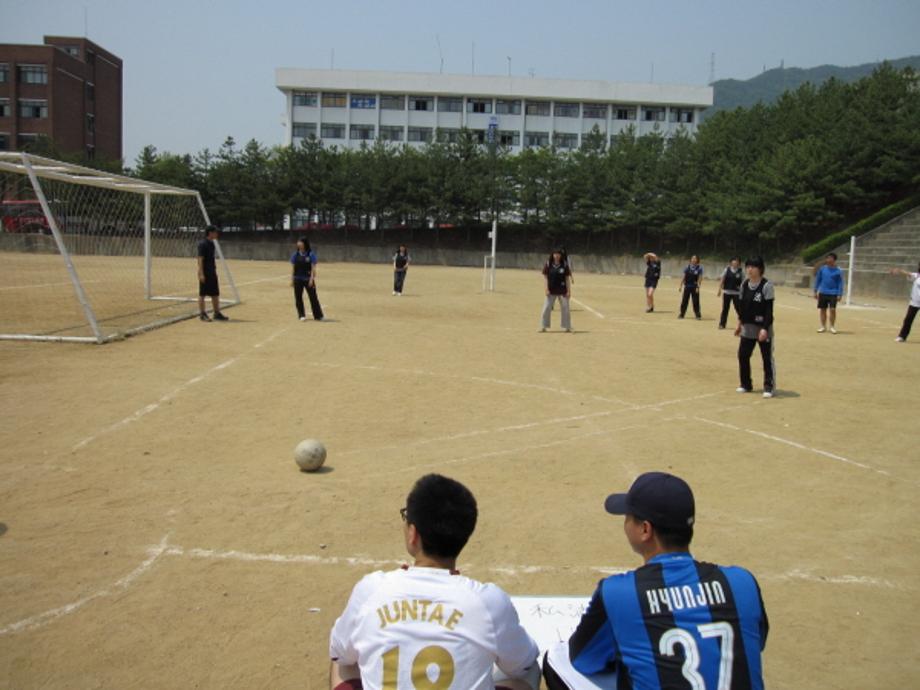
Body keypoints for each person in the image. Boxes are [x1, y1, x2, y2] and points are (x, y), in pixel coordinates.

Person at [543, 471, 768, 690]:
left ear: (645, 529)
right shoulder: (742, 582)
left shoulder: (618, 592)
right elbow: (756, 642)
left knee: (556, 660)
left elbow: (584, 660)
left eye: (628, 517)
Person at [329, 474, 540, 690]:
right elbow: (522, 664)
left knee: (343, 660)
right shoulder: (489, 602)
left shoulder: (372, 590)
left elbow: (339, 653)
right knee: (530, 669)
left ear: (413, 534)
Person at [735, 256, 776, 398]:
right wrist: (739, 324)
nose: (749, 270)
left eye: (753, 267)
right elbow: (742, 307)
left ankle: (769, 386)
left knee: (766, 358)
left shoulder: (766, 285)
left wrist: (765, 328)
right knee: (743, 355)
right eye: (748, 267)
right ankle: (746, 384)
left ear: (760, 269)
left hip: (763, 327)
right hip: (748, 326)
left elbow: (769, 310)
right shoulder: (744, 285)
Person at [197, 225, 228, 322]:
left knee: (215, 293)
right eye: (215, 232)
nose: (217, 234)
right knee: (202, 294)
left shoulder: (212, 243)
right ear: (210, 233)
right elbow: (200, 259)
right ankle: (202, 314)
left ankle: (216, 313)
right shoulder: (202, 244)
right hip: (205, 272)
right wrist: (201, 273)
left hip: (212, 271)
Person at [290, 237, 323, 321]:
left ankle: (318, 315)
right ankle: (301, 315)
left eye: (300, 242)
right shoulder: (295, 255)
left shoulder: (310, 254)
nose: (298, 244)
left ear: (304, 244)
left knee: (313, 297)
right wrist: (292, 279)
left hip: (307, 279)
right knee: (298, 297)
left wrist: (311, 279)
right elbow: (293, 268)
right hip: (298, 279)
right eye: (298, 242)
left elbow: (313, 268)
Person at [540, 250, 573, 333]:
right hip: (551, 290)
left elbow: (567, 279)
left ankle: (567, 327)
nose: (557, 256)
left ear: (561, 255)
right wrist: (546, 289)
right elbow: (546, 278)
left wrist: (568, 291)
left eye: (558, 254)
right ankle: (543, 326)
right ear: (552, 255)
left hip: (563, 290)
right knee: (546, 307)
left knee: (565, 309)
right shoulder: (548, 264)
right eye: (555, 254)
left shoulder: (564, 264)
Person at [813, 252, 844, 333]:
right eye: (827, 258)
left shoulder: (838, 270)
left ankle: (832, 327)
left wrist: (840, 294)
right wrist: (815, 290)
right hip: (823, 292)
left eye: (830, 258)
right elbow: (818, 280)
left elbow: (840, 283)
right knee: (823, 309)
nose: (828, 259)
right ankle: (823, 326)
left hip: (833, 292)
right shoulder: (822, 269)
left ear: (834, 260)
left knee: (832, 309)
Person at [890, 261, 920, 342]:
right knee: (908, 319)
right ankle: (902, 336)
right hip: (914, 303)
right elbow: (908, 274)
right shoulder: (917, 276)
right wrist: (899, 271)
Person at [716, 257, 744, 329]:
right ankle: (722, 324)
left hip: (736, 293)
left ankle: (743, 324)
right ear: (731, 263)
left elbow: (743, 282)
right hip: (727, 292)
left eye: (737, 262)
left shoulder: (741, 271)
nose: (735, 263)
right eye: (733, 262)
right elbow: (722, 279)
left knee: (739, 309)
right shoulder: (727, 270)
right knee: (725, 309)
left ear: (739, 263)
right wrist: (719, 289)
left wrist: (743, 292)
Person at [677, 255, 703, 319]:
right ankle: (682, 314)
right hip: (687, 286)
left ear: (697, 260)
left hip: (694, 287)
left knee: (695, 301)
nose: (693, 259)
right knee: (684, 301)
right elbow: (684, 277)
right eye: (692, 258)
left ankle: (697, 314)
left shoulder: (699, 268)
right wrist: (680, 285)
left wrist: (698, 287)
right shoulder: (687, 267)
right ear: (691, 260)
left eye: (695, 258)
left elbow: (700, 278)